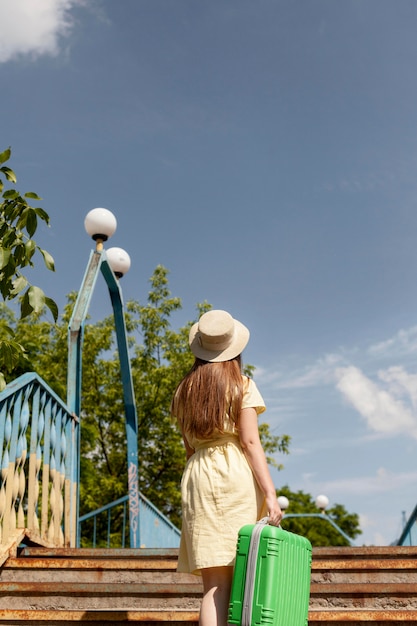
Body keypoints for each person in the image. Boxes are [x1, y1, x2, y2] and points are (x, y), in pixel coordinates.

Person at [171, 309, 283, 626]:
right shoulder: (242, 385)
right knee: (238, 575)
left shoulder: (184, 391)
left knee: (213, 585)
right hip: (232, 472)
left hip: (197, 474)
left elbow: (189, 447)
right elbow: (249, 442)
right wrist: (270, 494)